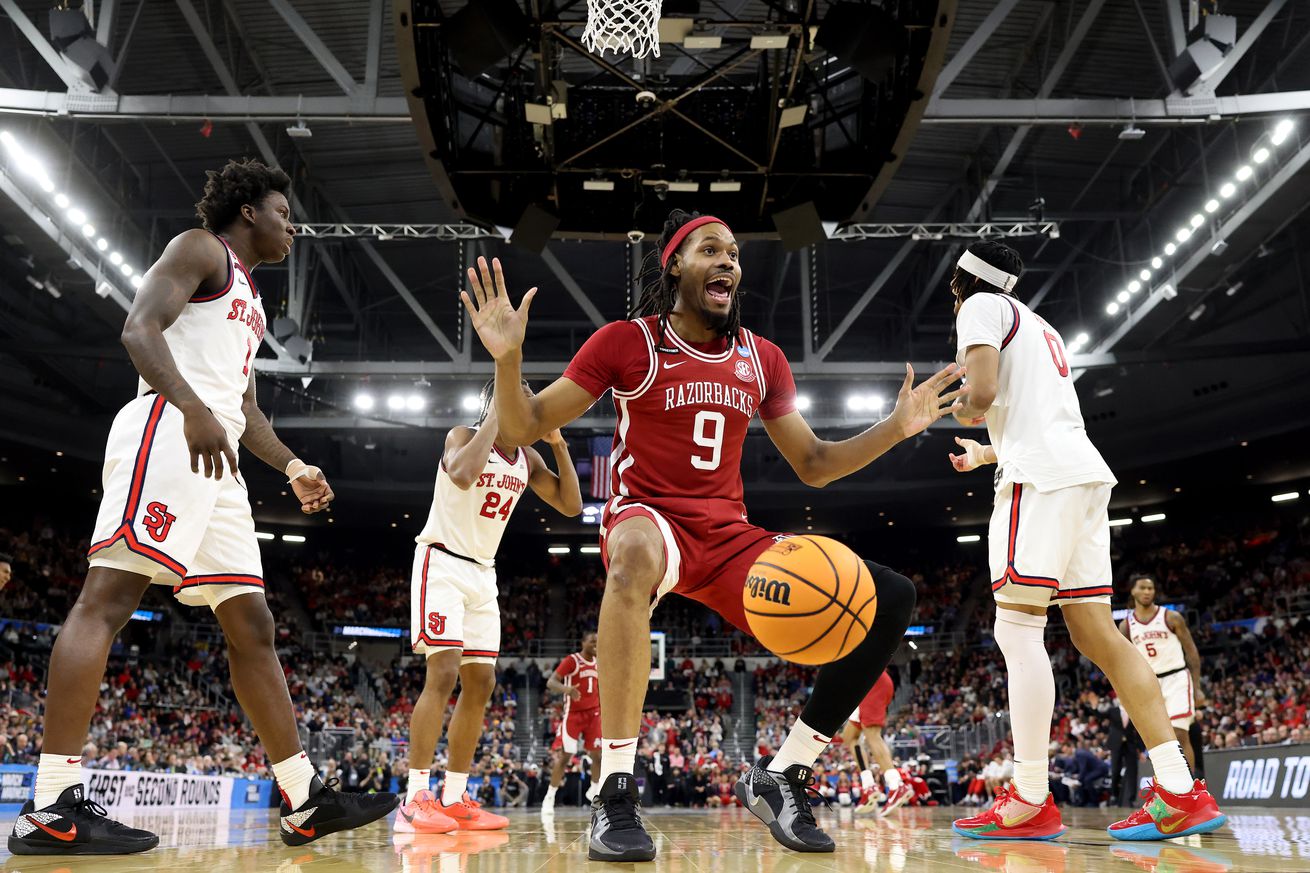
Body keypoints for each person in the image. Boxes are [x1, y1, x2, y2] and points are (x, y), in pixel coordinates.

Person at [461, 209, 964, 860]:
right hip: (647, 516)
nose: (728, 260)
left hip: (728, 536)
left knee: (890, 597)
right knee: (634, 554)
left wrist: (895, 429)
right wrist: (508, 360)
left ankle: (786, 771)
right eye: (710, 249)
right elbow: (525, 424)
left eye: (733, 252)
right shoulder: (627, 342)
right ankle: (615, 789)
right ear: (676, 264)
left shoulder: (763, 358)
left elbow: (812, 463)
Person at [8, 159, 397, 856]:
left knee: (252, 622)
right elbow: (138, 329)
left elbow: (243, 409)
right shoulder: (199, 249)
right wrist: (189, 407)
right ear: (249, 210)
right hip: (167, 428)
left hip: (216, 456)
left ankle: (304, 797)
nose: (293, 224)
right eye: (283, 211)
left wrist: (294, 465)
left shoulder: (252, 300)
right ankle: (50, 806)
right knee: (108, 598)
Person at [945, 241, 1225, 841]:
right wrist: (987, 451)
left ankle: (1029, 795)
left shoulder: (977, 309)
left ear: (958, 286)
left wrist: (959, 408)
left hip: (1040, 483)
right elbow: (1038, 419)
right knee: (1096, 632)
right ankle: (1179, 789)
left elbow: (985, 393)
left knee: (1016, 630)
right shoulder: (1041, 327)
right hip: (1084, 476)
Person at [396, 378, 582, 835]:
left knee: (481, 682)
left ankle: (455, 796)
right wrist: (499, 415)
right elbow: (461, 474)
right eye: (515, 400)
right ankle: (415, 796)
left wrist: (557, 443)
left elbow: (572, 505)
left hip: (482, 573)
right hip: (441, 562)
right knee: (441, 674)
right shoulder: (462, 436)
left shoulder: (529, 458)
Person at [1121, 575, 1206, 773]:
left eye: (1150, 588)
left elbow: (1192, 653)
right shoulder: (1126, 625)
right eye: (1142, 588)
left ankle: (1189, 792)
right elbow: (1124, 663)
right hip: (1148, 683)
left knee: (1180, 734)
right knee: (1159, 741)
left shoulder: (1171, 617)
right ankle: (1168, 789)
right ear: (1133, 591)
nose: (1147, 592)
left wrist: (1197, 687)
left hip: (1176, 678)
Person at [839, 669, 912, 815]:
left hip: (872, 681)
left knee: (872, 734)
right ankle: (868, 785)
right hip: (861, 688)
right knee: (849, 737)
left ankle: (896, 784)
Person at [544, 632, 602, 810]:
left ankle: (594, 791)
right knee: (566, 757)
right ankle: (550, 796)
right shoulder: (572, 660)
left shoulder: (600, 662)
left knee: (598, 756)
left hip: (594, 714)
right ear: (583, 642)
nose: (595, 644)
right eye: (592, 641)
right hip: (574, 715)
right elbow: (551, 682)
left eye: (597, 642)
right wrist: (567, 689)